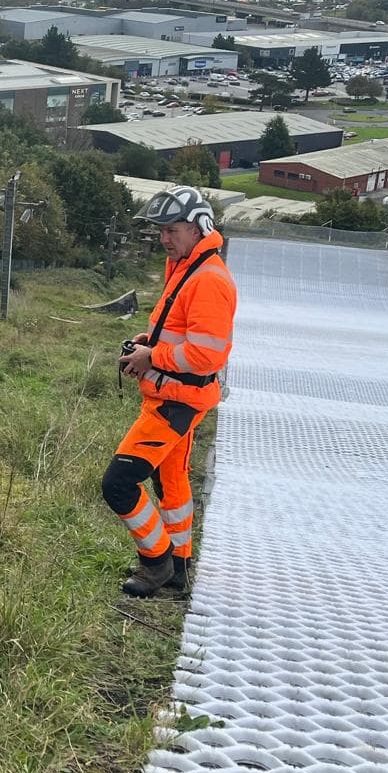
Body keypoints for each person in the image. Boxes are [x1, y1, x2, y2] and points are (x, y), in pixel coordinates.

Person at [104, 185, 237, 597]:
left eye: (172, 229)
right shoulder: (185, 266)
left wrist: (153, 357)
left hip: (177, 401)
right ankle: (178, 569)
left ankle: (155, 562)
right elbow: (182, 331)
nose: (164, 238)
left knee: (119, 484)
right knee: (172, 484)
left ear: (198, 228)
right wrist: (150, 340)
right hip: (175, 396)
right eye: (160, 230)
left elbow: (206, 356)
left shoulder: (209, 279)